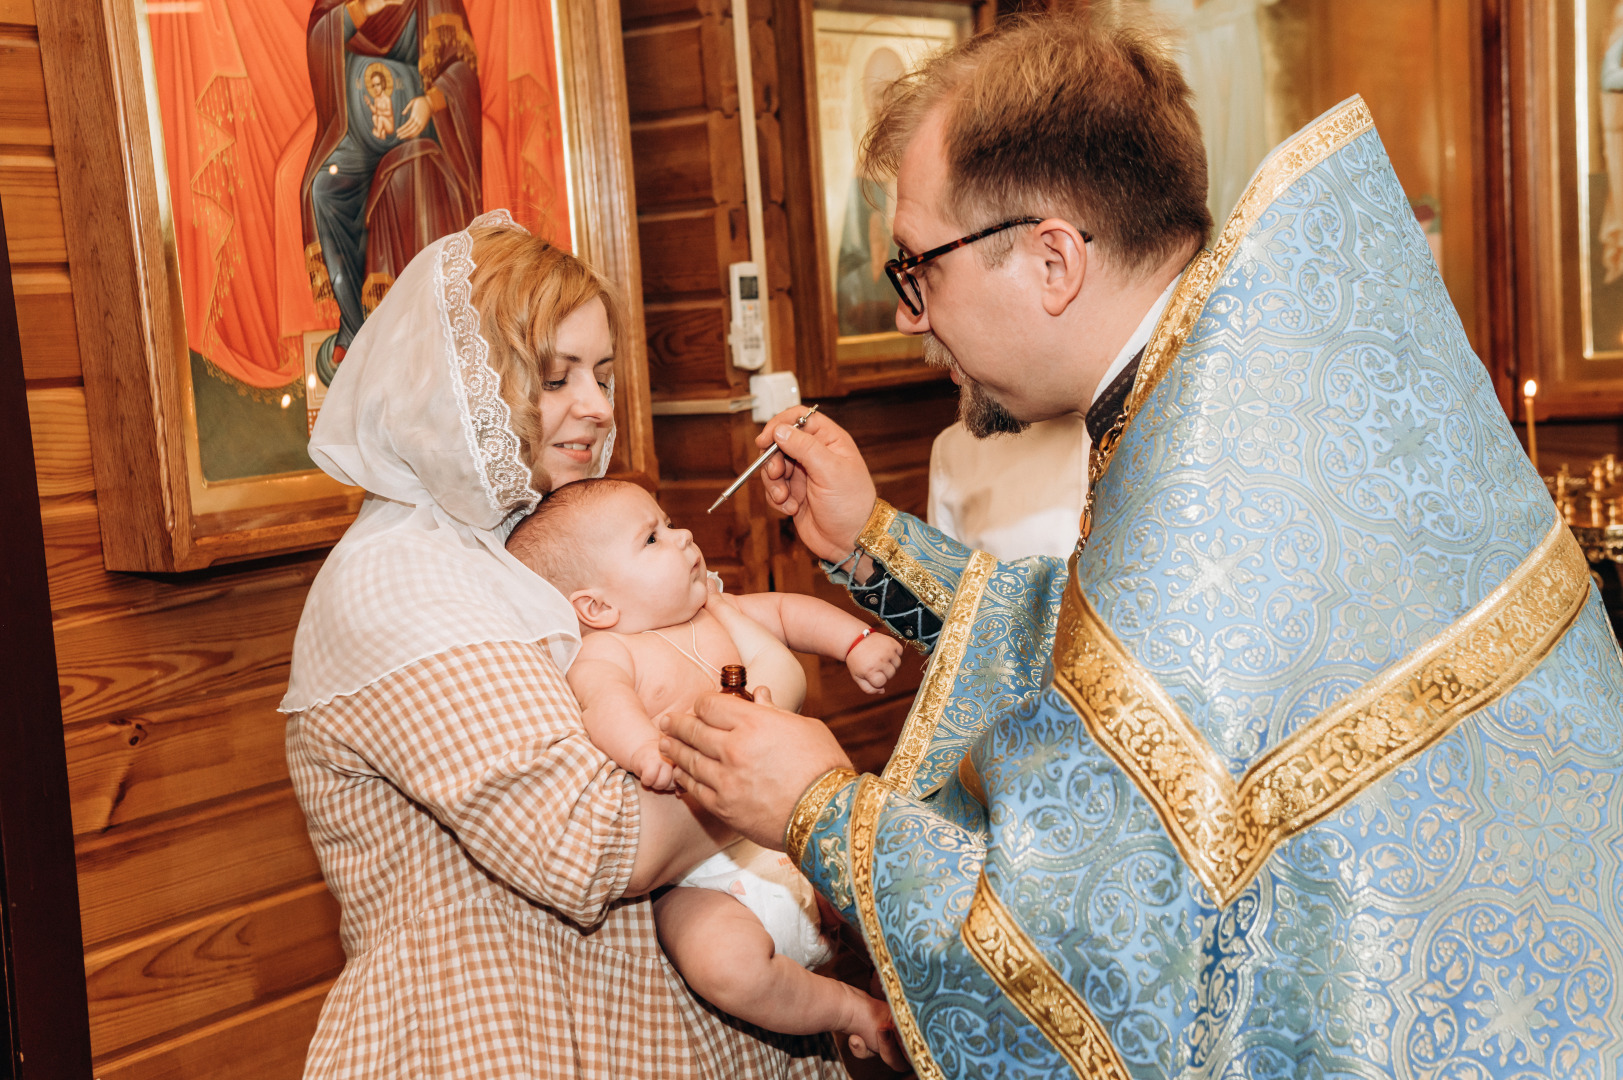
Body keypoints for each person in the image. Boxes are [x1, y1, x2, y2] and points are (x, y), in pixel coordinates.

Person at [659, 12, 1623, 1079]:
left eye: (916, 269)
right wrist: (873, 548)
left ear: (1053, 259)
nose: (911, 320)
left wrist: (820, 811)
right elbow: (1092, 655)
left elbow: (1084, 965)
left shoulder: (1199, 477)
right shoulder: (1248, 399)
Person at [280, 211, 844, 1078]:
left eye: (603, 373)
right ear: (460, 382)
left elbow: (717, 659)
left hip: (661, 1018)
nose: (594, 404)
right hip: (499, 1033)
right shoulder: (400, 578)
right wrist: (780, 727)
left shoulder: (550, 533)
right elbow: (595, 842)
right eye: (554, 377)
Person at [503, 478, 905, 1065]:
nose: (683, 535)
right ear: (597, 606)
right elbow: (603, 701)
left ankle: (906, 989)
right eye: (652, 538)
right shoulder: (612, 650)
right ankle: (849, 1011)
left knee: (881, 883)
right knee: (722, 964)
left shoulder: (715, 609)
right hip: (701, 873)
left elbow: (789, 613)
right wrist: (644, 750)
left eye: (668, 523)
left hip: (784, 831)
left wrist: (855, 641)